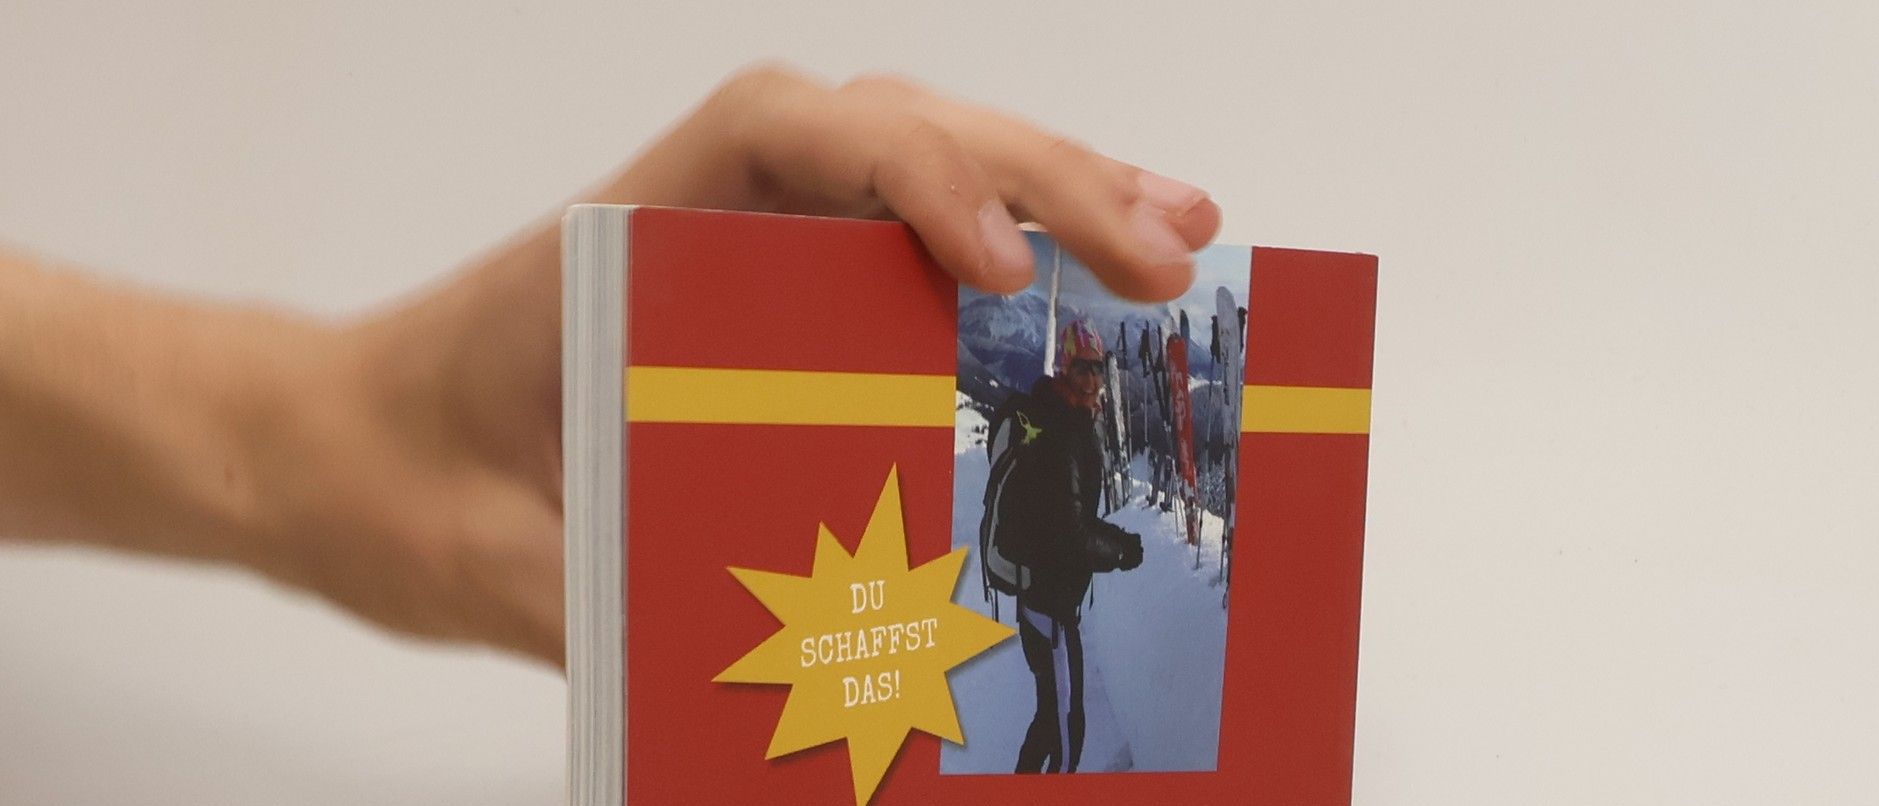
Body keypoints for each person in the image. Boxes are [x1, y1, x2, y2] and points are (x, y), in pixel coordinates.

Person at [0, 67, 1218, 667]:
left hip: (1034, 589)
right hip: (1039, 590)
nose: (1081, 383)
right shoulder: (1043, 427)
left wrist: (329, 428)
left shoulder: (1046, 423)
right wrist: (324, 435)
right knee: (1052, 702)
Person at [997, 317, 1145, 773]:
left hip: (1045, 602)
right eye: (1082, 367)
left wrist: (1113, 541)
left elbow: (1068, 519)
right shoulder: (1063, 434)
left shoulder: (1068, 421)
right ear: (1064, 368)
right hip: (1050, 607)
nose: (1092, 378)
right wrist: (1122, 550)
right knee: (1065, 733)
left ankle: (1013, 804)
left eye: (1098, 368)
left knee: (1050, 721)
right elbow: (1070, 535)